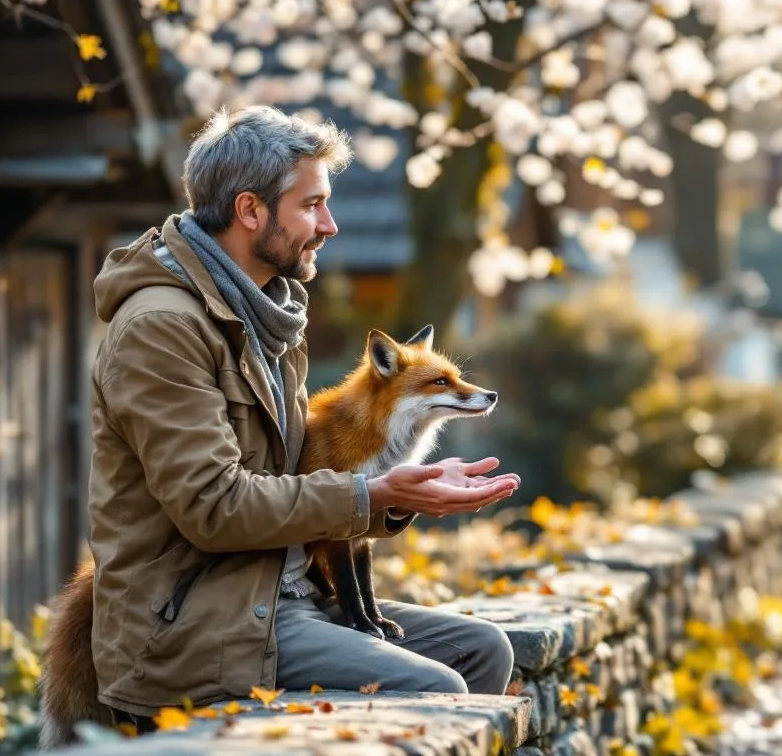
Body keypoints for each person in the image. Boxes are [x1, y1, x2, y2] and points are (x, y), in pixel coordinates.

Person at [86, 105, 519, 729]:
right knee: (435, 687)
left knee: (485, 650)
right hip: (201, 620)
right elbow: (213, 507)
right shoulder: (163, 328)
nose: (332, 225)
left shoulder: (270, 316)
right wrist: (368, 495)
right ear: (250, 210)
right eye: (312, 205)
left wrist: (398, 491)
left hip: (286, 590)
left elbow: (305, 470)